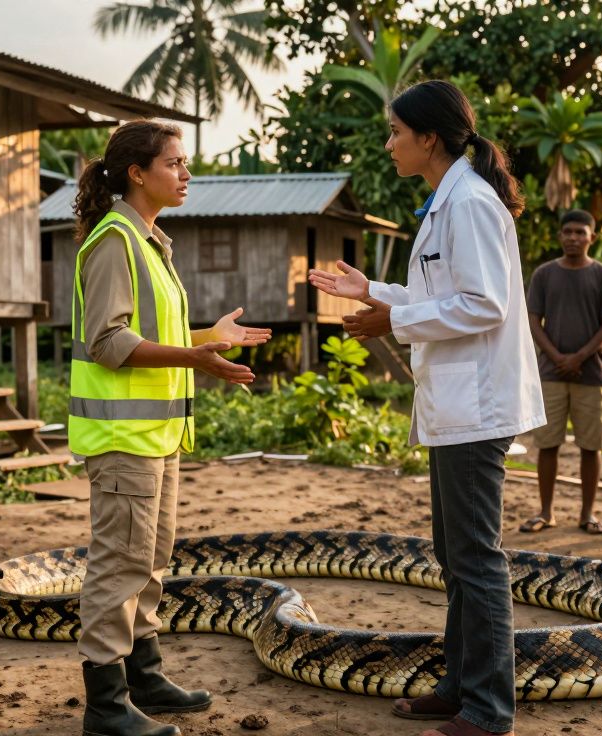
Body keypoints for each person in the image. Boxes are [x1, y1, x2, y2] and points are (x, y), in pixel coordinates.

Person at [309, 80, 543, 736]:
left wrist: (391, 319)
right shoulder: (450, 199)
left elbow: (484, 305)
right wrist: (374, 291)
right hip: (456, 402)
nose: (388, 146)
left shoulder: (467, 202)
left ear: (428, 137)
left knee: (475, 556)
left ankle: (490, 710)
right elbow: (440, 292)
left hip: (476, 403)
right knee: (454, 552)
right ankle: (459, 687)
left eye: (394, 133)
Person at [70, 120, 271, 736]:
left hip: (155, 436)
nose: (186, 175)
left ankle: (144, 674)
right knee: (119, 564)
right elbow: (109, 342)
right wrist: (195, 358)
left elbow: (153, 337)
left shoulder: (151, 241)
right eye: (175, 164)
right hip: (122, 439)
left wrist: (209, 337)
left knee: (150, 560)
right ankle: (105, 707)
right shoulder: (114, 242)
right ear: (137, 172)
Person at [519, 209, 602, 536]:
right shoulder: (545, 274)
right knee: (548, 444)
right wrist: (558, 356)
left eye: (581, 232)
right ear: (559, 236)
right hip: (549, 373)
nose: (574, 238)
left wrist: (578, 357)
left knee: (591, 447)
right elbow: (534, 321)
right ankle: (546, 512)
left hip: (591, 374)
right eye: (568, 232)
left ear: (593, 237)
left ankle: (587, 514)